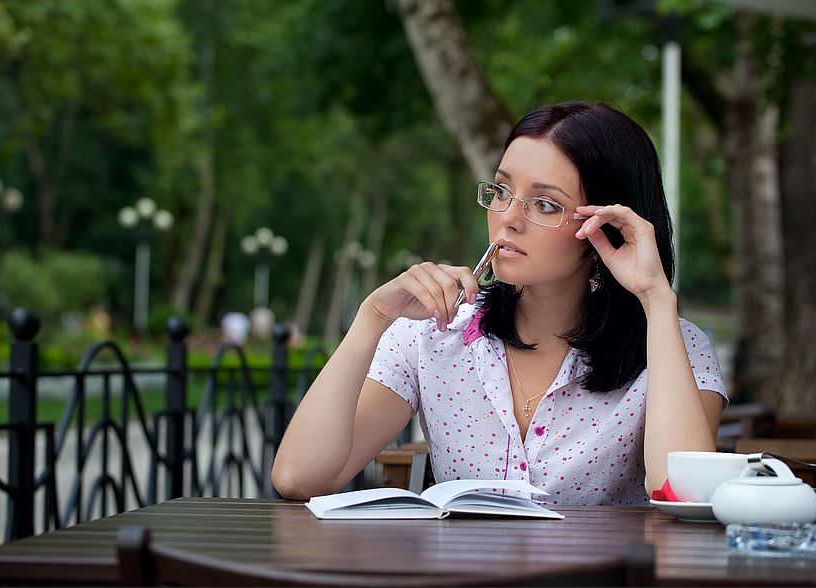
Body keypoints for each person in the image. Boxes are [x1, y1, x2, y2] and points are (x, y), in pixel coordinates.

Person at [273, 100, 728, 505]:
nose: (508, 218)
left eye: (545, 205)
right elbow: (299, 478)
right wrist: (372, 318)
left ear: (605, 230)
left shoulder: (672, 346)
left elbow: (681, 492)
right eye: (502, 191)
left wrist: (654, 297)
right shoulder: (436, 332)